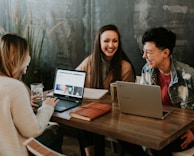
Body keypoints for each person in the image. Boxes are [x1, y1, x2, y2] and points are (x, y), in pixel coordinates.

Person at [76, 24, 147, 156]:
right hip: (93, 112)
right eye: (106, 41)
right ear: (99, 43)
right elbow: (74, 78)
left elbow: (127, 99)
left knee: (94, 126)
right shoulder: (91, 61)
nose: (111, 45)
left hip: (116, 116)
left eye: (115, 41)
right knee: (83, 123)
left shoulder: (124, 67)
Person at [0, 33, 61, 156]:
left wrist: (25, 105)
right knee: (55, 130)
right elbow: (33, 130)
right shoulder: (15, 87)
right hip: (13, 151)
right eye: (27, 54)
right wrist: (47, 106)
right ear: (15, 58)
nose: (30, 58)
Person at [140, 27, 194, 156]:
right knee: (126, 137)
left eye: (149, 52)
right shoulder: (147, 70)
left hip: (182, 131)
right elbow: (143, 102)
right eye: (144, 52)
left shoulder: (188, 76)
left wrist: (193, 132)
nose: (144, 56)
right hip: (156, 126)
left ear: (165, 52)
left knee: (157, 142)